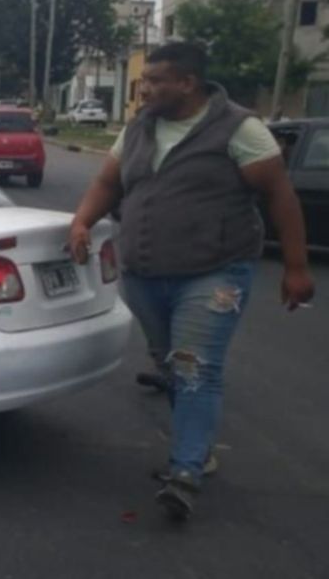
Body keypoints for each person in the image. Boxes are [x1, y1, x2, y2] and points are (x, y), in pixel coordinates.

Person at [68, 42, 315, 521]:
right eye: (145, 81)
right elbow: (107, 184)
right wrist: (81, 222)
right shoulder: (140, 129)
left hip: (214, 272)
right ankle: (198, 448)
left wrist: (297, 266)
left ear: (187, 83)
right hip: (144, 272)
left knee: (194, 367)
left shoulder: (239, 129)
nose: (146, 89)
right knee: (170, 364)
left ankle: (185, 474)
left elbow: (280, 195)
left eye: (157, 80)